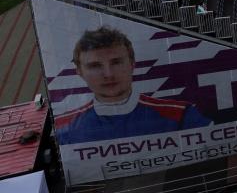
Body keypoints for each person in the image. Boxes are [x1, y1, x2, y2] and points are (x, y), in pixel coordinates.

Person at [55, 27, 211, 144]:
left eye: (116, 62)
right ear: (80, 72)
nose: (108, 74)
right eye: (95, 66)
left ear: (132, 64)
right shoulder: (62, 128)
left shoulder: (182, 115)